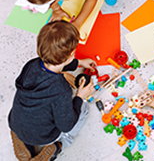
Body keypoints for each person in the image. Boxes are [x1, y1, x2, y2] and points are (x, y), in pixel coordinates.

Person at [8, 20, 97, 160]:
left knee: (33, 118)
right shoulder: (61, 91)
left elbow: (56, 62)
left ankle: (20, 138)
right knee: (84, 109)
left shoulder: (31, 65)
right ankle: (58, 145)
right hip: (43, 137)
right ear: (72, 53)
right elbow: (66, 125)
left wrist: (79, 63)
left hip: (16, 122)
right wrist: (80, 96)